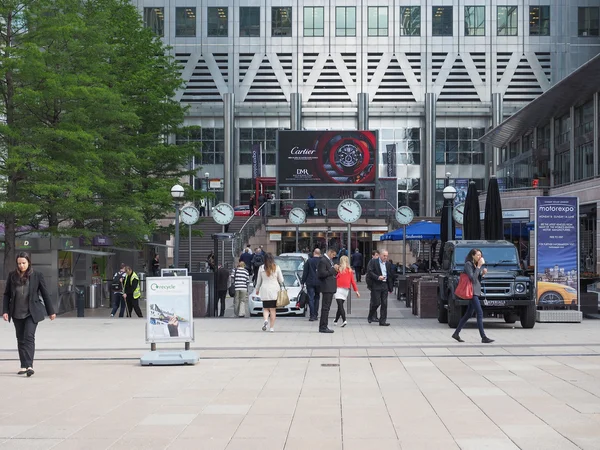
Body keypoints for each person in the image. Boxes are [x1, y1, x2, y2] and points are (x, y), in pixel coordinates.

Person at [2, 252, 56, 377]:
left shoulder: (37, 275)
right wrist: (5, 310)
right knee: (20, 339)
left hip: (31, 312)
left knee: (28, 337)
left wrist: (51, 311)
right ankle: (23, 365)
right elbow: (7, 295)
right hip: (16, 312)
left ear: (29, 262)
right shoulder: (12, 276)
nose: (21, 265)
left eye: (23, 263)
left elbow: (45, 293)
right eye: (19, 263)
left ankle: (29, 365)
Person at [452, 249, 494, 344]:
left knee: (468, 314)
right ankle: (483, 337)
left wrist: (482, 274)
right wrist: (479, 266)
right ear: (473, 255)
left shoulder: (474, 265)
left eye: (480, 255)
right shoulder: (468, 264)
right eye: (478, 255)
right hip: (472, 292)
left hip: (475, 291)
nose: (480, 257)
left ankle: (456, 333)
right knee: (479, 312)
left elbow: (477, 279)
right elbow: (472, 278)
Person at [255, 253, 283, 332]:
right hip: (274, 290)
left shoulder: (261, 268)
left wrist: (257, 289)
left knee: (266, 308)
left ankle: (266, 320)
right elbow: (281, 280)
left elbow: (258, 281)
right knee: (273, 310)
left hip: (265, 290)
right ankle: (271, 327)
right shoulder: (276, 267)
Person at [366, 249, 395, 326]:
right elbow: (370, 272)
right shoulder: (373, 262)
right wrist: (378, 277)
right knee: (376, 302)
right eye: (384, 256)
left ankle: (382, 321)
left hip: (384, 285)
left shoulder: (388, 264)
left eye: (387, 256)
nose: (385, 257)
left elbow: (390, 275)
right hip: (376, 284)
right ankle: (371, 315)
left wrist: (390, 287)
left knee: (384, 303)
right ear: (380, 255)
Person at [333, 255, 360, 327]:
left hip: (338, 289)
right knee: (340, 306)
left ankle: (344, 320)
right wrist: (356, 291)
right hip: (346, 290)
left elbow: (333, 273)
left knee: (340, 306)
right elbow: (353, 281)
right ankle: (336, 320)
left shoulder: (338, 269)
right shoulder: (350, 270)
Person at [317, 248, 339, 333]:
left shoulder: (329, 260)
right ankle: (323, 326)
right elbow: (321, 274)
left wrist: (335, 270)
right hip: (326, 287)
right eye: (333, 254)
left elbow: (331, 272)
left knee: (327, 308)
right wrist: (333, 269)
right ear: (330, 252)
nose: (334, 256)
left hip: (330, 287)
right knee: (325, 308)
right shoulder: (323, 260)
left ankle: (324, 325)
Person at [301, 248, 321, 321]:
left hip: (310, 282)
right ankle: (316, 314)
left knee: (311, 299)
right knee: (317, 298)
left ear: (314, 253)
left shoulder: (309, 261)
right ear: (319, 253)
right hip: (319, 282)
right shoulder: (322, 261)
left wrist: (302, 282)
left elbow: (305, 272)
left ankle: (312, 315)